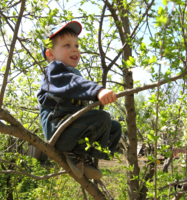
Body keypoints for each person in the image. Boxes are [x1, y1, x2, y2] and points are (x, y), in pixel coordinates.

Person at [37, 21, 122, 179]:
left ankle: (84, 156)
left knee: (114, 126)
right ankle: (74, 153)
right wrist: (98, 91)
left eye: (76, 45)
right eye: (67, 45)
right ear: (50, 54)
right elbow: (71, 83)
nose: (75, 49)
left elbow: (75, 85)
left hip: (72, 128)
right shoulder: (53, 72)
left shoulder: (73, 74)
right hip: (58, 130)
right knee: (103, 117)